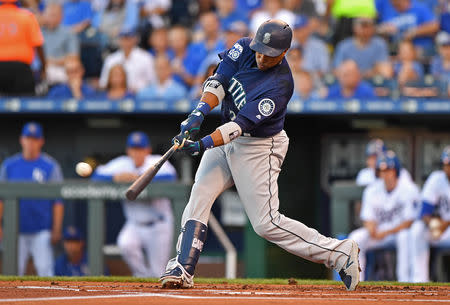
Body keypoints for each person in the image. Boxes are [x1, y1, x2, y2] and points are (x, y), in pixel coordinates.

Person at [159, 19, 360, 291]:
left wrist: (202, 143)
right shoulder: (243, 48)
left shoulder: (280, 86)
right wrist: (198, 113)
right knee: (200, 194)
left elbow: (239, 126)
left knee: (266, 224)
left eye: (270, 53)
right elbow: (218, 81)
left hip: (259, 147)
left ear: (284, 53)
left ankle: (339, 252)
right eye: (259, 49)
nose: (262, 56)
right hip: (226, 136)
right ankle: (182, 266)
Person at [92, 131, 177, 277]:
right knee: (125, 244)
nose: (136, 153)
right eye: (133, 149)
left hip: (158, 224)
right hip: (134, 224)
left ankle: (154, 284)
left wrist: (139, 177)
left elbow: (170, 177)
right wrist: (115, 177)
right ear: (128, 150)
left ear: (147, 150)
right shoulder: (122, 164)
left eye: (140, 149)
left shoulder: (155, 161)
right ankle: (142, 275)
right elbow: (96, 176)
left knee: (158, 272)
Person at [0, 122, 64, 276]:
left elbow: (58, 201)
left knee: (45, 271)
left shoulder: (50, 166)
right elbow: (1, 198)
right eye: (28, 138)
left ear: (41, 141)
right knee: (12, 273)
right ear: (21, 140)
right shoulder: (9, 165)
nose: (31, 142)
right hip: (14, 230)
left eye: (34, 139)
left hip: (41, 229)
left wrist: (56, 228)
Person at [349, 151, 419, 282]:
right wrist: (371, 228)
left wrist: (386, 232)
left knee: (406, 236)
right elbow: (367, 218)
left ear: (396, 171)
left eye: (388, 170)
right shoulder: (372, 190)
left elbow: (409, 221)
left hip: (398, 232)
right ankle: (356, 280)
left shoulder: (408, 188)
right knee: (356, 238)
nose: (385, 173)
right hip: (379, 233)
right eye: (382, 170)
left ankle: (405, 280)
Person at [410, 146, 450, 282]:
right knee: (417, 230)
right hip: (441, 228)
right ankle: (420, 280)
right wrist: (434, 225)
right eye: (446, 164)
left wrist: (446, 223)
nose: (448, 168)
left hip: (446, 225)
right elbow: (425, 212)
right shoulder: (436, 179)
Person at [0, 0, 46, 96]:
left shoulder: (27, 16)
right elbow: (38, 45)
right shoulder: (27, 17)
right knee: (25, 106)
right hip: (21, 70)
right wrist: (44, 67)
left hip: (18, 68)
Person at [99, 27, 156, 93]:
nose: (126, 41)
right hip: (117, 96)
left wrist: (139, 89)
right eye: (123, 38)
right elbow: (103, 83)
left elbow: (153, 81)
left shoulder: (146, 57)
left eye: (128, 38)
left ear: (135, 39)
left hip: (140, 96)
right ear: (119, 40)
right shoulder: (111, 59)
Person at [42, 3, 80, 86]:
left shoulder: (68, 33)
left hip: (59, 68)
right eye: (48, 14)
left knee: (72, 67)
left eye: (53, 15)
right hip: (39, 68)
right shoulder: (37, 31)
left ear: (61, 17)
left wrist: (51, 62)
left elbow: (73, 57)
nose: (50, 18)